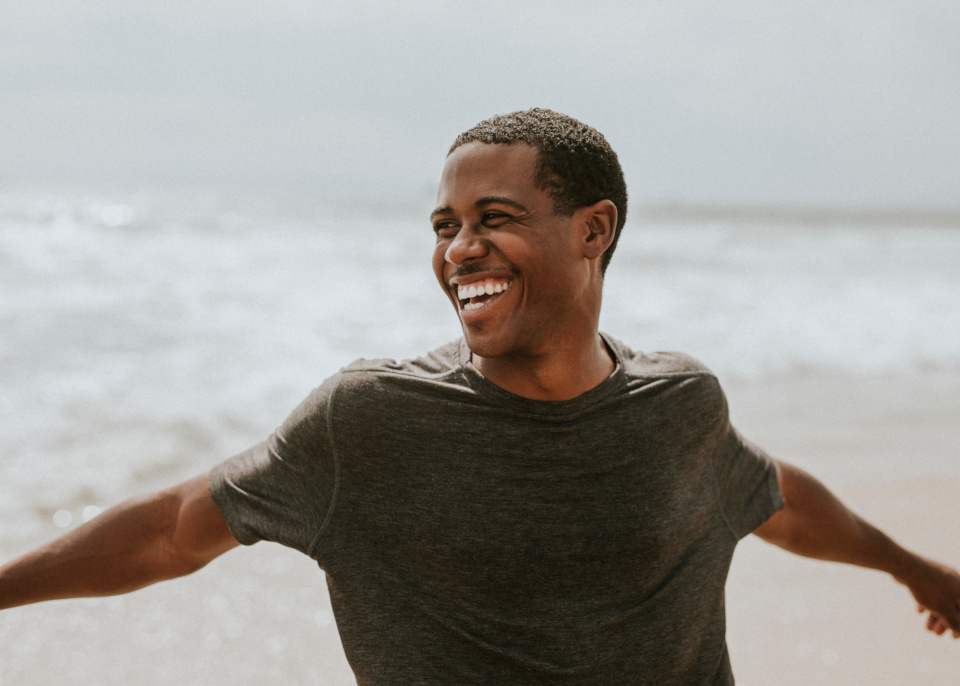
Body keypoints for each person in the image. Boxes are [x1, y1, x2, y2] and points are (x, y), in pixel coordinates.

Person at [1, 108, 958, 684]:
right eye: (446, 224)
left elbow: (774, 498)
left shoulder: (680, 406)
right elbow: (174, 527)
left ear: (594, 230)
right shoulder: (368, 419)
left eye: (495, 219)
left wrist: (916, 569)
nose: (460, 249)